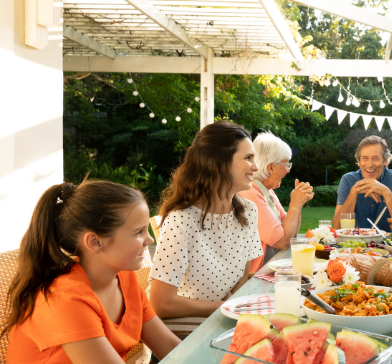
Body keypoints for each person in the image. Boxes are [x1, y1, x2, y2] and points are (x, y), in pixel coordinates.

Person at [5, 180, 181, 363]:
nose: (149, 240)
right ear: (95, 243)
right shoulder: (66, 299)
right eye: (138, 232)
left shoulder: (124, 279)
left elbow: (172, 350)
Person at [150, 121, 264, 318]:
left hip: (226, 317)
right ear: (218, 164)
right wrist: (224, 306)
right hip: (186, 326)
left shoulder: (248, 211)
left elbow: (244, 274)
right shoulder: (181, 221)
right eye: (248, 158)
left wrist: (230, 304)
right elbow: (161, 304)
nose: (255, 167)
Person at [238, 132, 314, 273]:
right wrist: (295, 205)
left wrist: (298, 202)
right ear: (271, 167)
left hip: (272, 266)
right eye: (287, 164)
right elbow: (283, 242)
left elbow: (291, 234)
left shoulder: (266, 191)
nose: (289, 170)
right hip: (256, 275)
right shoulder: (250, 193)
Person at [333, 135, 392, 232]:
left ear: (385, 160)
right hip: (356, 244)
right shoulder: (348, 180)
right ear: (359, 162)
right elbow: (337, 227)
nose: (370, 165)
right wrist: (354, 192)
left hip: (388, 244)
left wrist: (386, 193)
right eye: (365, 158)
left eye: (375, 158)